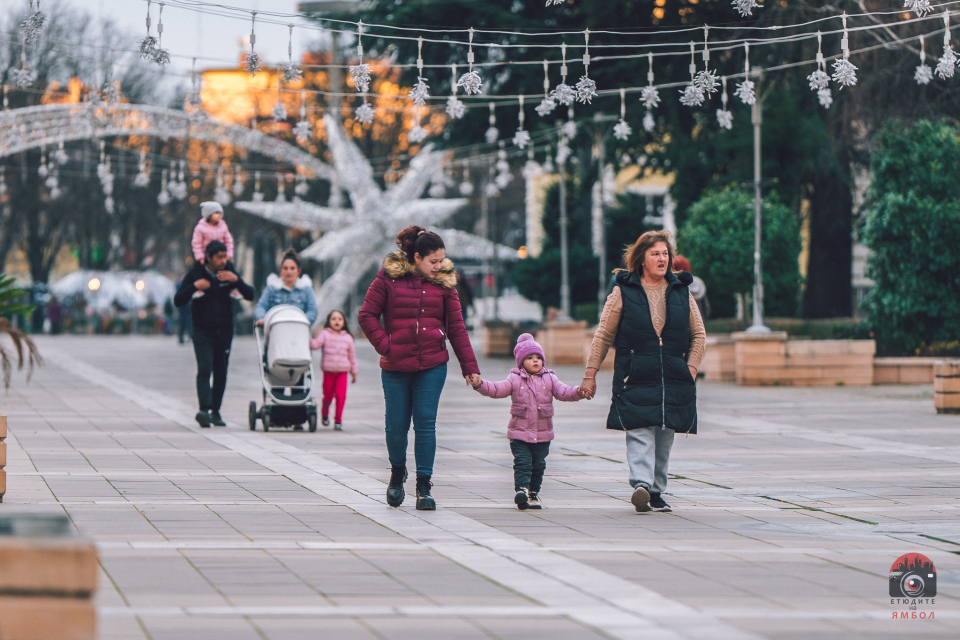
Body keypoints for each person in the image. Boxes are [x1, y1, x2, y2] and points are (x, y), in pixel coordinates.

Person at [580, 230, 706, 514]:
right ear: (642, 259)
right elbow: (602, 336)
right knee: (639, 430)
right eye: (655, 254)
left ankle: (657, 491)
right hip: (635, 374)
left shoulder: (681, 291)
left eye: (665, 254)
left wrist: (691, 369)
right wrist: (590, 374)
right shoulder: (623, 291)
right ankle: (642, 485)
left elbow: (698, 334)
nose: (662, 259)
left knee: (664, 435)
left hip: (674, 376)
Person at [359, 225, 480, 511]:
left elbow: (457, 327)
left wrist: (469, 366)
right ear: (416, 257)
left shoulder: (445, 282)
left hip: (432, 363)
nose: (439, 266)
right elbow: (366, 315)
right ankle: (397, 472)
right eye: (433, 261)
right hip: (395, 365)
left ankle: (424, 487)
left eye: (442, 260)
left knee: (425, 423)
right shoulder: (388, 276)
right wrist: (386, 347)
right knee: (396, 426)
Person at [473, 333, 583, 510]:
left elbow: (564, 392)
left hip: (542, 434)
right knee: (523, 462)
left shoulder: (550, 378)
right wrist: (480, 384)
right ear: (520, 361)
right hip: (519, 433)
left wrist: (580, 391)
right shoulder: (514, 379)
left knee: (538, 465)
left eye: (539, 357)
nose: (535, 361)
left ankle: (533, 494)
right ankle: (522, 490)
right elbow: (496, 389)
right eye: (530, 358)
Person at [174, 240, 254, 428]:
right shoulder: (196, 273)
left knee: (221, 371)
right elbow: (178, 300)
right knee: (204, 368)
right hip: (202, 330)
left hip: (224, 330)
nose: (223, 260)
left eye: (224, 256)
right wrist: (195, 286)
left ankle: (215, 411)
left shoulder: (229, 272)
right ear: (208, 257)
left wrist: (237, 280)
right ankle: (204, 409)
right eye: (219, 257)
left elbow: (250, 294)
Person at [309, 310, 358, 431]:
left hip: (342, 372)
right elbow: (314, 345)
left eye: (339, 319)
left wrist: (354, 372)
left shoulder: (348, 338)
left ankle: (338, 420)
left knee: (341, 396)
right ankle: (325, 413)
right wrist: (307, 335)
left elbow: (352, 356)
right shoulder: (325, 334)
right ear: (329, 321)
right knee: (327, 396)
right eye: (334, 319)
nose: (337, 321)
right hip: (328, 372)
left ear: (344, 322)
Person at [253, 249, 318, 327]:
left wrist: (302, 321)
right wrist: (262, 318)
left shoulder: (306, 289)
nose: (289, 272)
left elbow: (312, 310)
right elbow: (261, 306)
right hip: (276, 331)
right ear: (280, 271)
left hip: (299, 331)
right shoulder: (272, 289)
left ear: (298, 271)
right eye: (285, 268)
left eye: (292, 268)